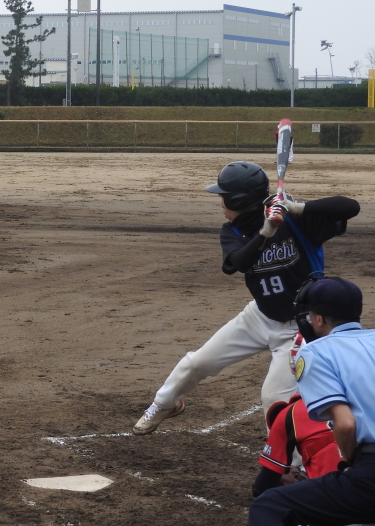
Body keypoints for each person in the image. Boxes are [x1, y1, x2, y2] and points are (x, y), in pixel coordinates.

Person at [134, 161, 359, 434]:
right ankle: (164, 404)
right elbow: (237, 263)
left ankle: (290, 457)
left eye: (223, 197)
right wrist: (266, 232)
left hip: (300, 328)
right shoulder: (232, 231)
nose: (220, 203)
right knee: (197, 363)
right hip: (259, 316)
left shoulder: (297, 222)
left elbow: (350, 207)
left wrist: (296, 207)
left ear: (237, 201)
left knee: (274, 397)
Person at [236, 276, 375, 526]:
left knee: (270, 507)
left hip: (370, 474)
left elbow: (345, 424)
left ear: (319, 319)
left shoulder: (316, 352)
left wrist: (350, 462)